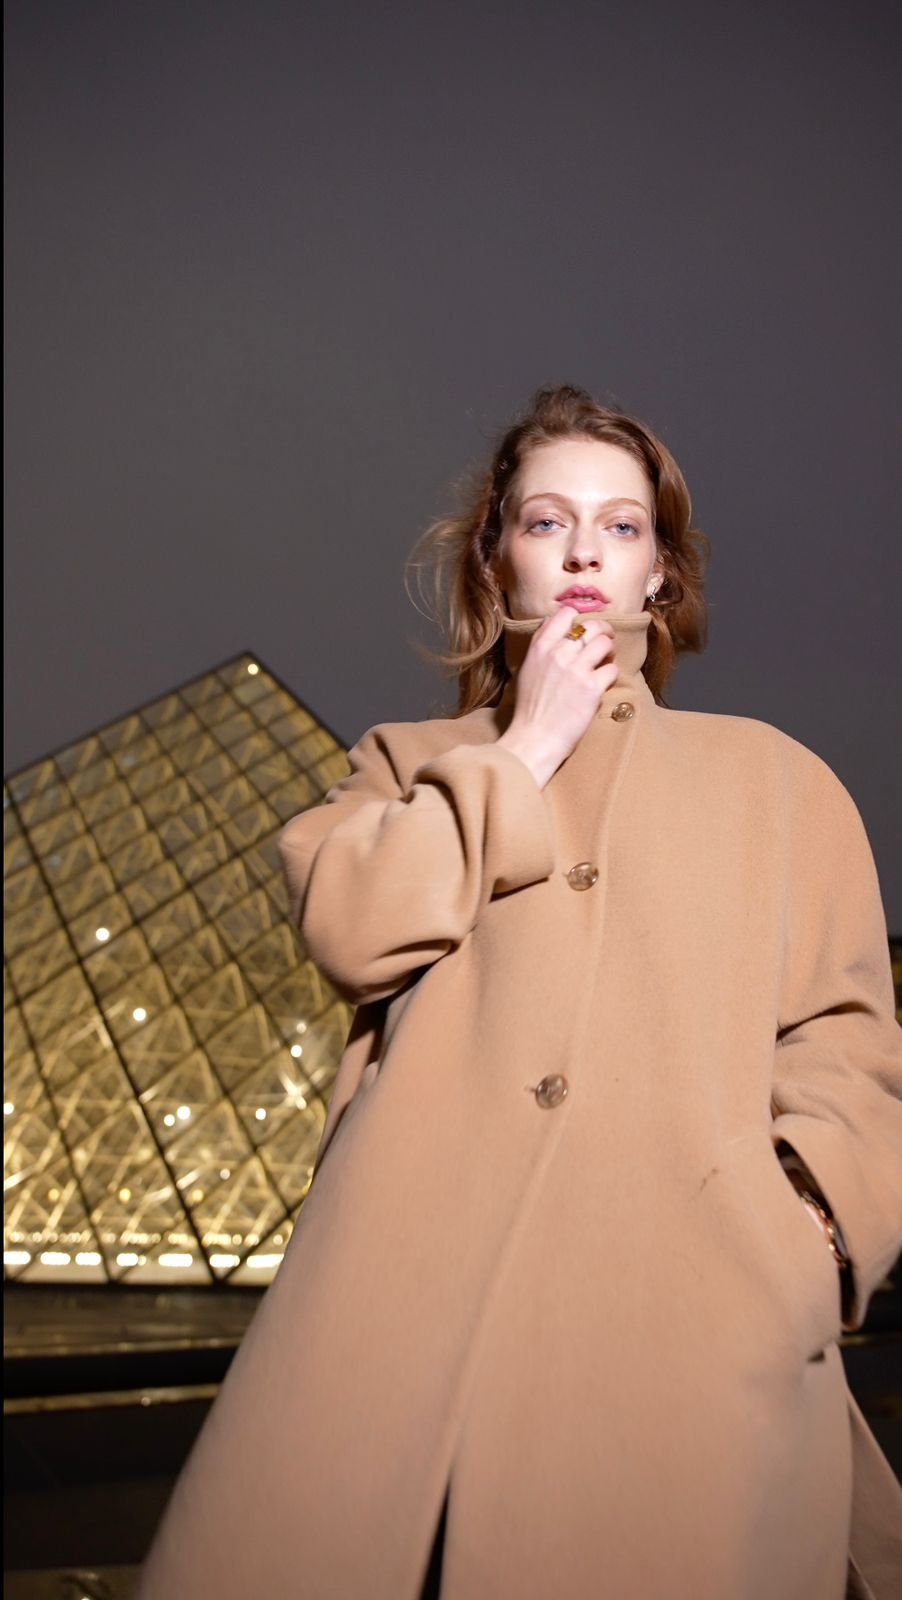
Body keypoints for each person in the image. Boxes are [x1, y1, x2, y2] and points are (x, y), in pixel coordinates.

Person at [136, 384, 902, 1600]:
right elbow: (352, 926)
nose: (586, 549)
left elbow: (846, 1046)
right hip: (402, 1340)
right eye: (547, 522)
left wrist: (808, 1227)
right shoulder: (405, 766)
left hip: (694, 1334)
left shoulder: (777, 782)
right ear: (495, 565)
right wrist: (523, 751)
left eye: (622, 524)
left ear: (661, 572)